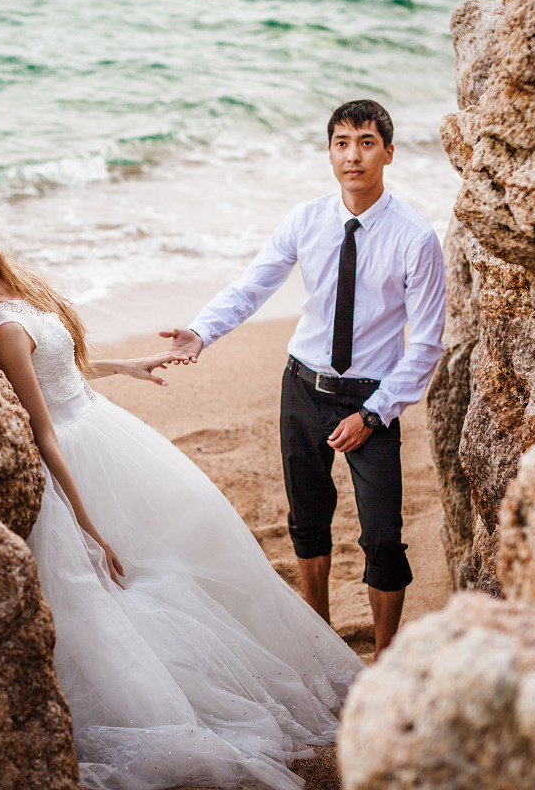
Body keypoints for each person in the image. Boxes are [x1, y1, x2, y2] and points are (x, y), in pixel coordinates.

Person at [0, 207, 365, 790]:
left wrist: (126, 366)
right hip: (76, 457)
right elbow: (43, 431)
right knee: (139, 586)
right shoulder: (1, 325)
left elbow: (61, 368)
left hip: (103, 429)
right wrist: (87, 528)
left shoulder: (20, 294)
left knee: (190, 543)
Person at [162, 99, 446, 656]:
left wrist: (372, 416)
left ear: (388, 152)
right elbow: (251, 287)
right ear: (330, 153)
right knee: (307, 521)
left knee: (384, 537)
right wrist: (201, 332)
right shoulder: (306, 220)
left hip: (373, 399)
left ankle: (386, 659)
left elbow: (428, 344)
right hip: (303, 388)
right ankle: (322, 642)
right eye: (341, 143)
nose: (353, 155)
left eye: (366, 142)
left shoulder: (416, 238)